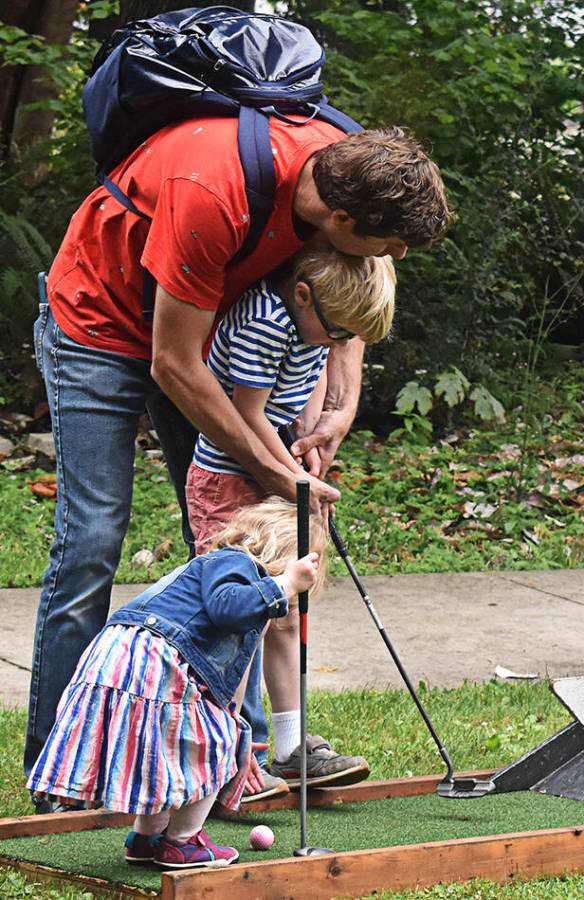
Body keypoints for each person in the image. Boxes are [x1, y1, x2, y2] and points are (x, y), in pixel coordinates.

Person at [26, 115, 453, 805]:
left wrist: (340, 399)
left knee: (241, 571)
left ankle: (245, 756)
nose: (396, 256)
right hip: (103, 325)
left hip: (203, 331)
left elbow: (349, 287)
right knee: (94, 540)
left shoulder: (347, 159)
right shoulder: (217, 191)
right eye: (389, 244)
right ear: (338, 218)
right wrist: (280, 473)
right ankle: (64, 771)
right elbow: (174, 363)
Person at [185, 247, 396, 799]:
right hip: (228, 483)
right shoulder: (264, 322)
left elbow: (309, 387)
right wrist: (295, 483)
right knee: (235, 621)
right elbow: (247, 416)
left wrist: (310, 448)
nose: (337, 343)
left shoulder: (318, 325)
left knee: (285, 612)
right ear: (303, 295)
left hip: (274, 468)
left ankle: (289, 747)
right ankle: (226, 757)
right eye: (337, 331)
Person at [26, 499, 328, 869]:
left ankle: (146, 836)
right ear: (283, 553)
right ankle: (183, 842)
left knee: (167, 753)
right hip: (157, 657)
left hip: (123, 657)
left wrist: (234, 729)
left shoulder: (236, 586)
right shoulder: (237, 564)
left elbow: (230, 677)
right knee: (205, 751)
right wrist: (283, 583)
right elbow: (226, 608)